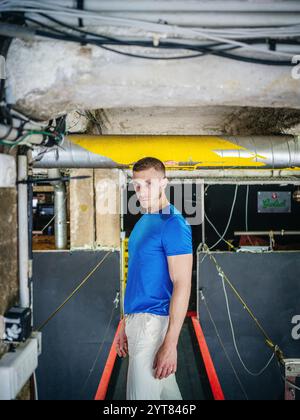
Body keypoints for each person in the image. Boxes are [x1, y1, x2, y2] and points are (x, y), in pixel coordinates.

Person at [115, 157, 193, 400]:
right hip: (139, 322)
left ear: (164, 183)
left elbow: (182, 283)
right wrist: (126, 323)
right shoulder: (142, 223)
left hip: (152, 325)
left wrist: (170, 344)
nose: (142, 191)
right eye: (137, 185)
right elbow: (138, 281)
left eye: (149, 183)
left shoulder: (173, 223)